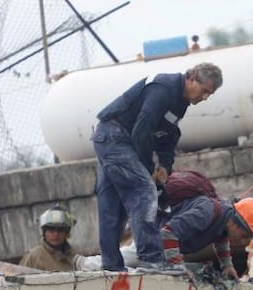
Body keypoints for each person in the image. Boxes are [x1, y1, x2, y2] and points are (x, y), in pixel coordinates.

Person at [92, 62, 223, 273]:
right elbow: (142, 131)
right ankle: (151, 260)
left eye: (210, 94)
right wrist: (149, 169)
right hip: (115, 136)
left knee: (112, 205)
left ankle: (112, 267)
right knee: (144, 191)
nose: (205, 97)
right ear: (191, 79)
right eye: (205, 90)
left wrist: (165, 165)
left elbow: (168, 134)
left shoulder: (181, 102)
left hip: (110, 138)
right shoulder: (163, 88)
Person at [159, 196, 253, 280]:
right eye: (244, 236)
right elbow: (168, 232)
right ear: (234, 223)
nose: (243, 242)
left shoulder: (224, 220)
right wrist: (177, 266)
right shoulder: (206, 214)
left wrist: (227, 265)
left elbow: (221, 238)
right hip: (151, 245)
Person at [20, 205, 79, 271]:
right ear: (44, 232)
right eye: (51, 229)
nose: (56, 234)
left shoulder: (75, 256)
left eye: (60, 230)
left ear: (67, 233)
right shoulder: (34, 256)